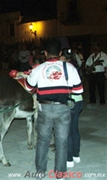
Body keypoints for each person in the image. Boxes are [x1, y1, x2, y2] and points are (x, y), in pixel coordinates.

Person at [26, 39, 83, 180]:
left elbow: (28, 88)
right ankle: (60, 173)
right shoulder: (69, 67)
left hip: (44, 108)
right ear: (59, 52)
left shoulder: (38, 68)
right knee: (62, 141)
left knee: (42, 140)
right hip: (63, 109)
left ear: (45, 53)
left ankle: (40, 171)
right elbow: (79, 90)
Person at [60, 49, 83, 168]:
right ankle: (76, 155)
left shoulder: (64, 68)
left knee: (67, 131)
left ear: (63, 57)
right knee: (74, 129)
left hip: (69, 101)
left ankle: (69, 159)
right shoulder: (75, 66)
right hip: (78, 101)